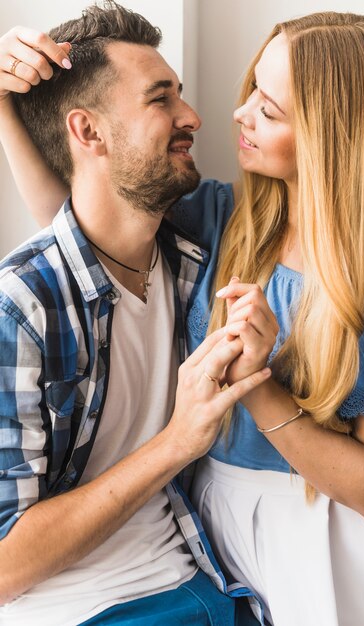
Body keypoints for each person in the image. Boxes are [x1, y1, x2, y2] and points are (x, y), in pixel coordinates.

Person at [1, 9, 364, 626]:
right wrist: (7, 105)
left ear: (335, 138)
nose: (234, 114)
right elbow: (80, 218)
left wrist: (257, 386)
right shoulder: (226, 221)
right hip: (208, 530)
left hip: (320, 541)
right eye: (251, 89)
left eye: (268, 110)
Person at [0, 3, 274, 626]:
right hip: (86, 609)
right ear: (89, 133)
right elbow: (4, 566)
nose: (193, 117)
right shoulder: (18, 307)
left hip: (208, 584)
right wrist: (178, 441)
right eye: (161, 99)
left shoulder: (191, 255)